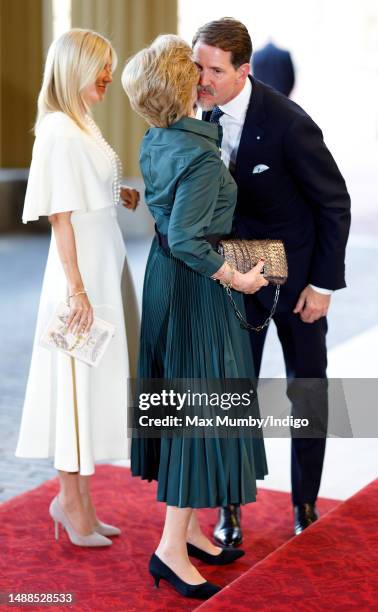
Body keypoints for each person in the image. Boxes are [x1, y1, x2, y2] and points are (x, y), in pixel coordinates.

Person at [193, 17, 351, 544]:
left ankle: (305, 504)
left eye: (214, 69)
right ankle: (230, 507)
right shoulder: (199, 115)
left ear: (243, 71)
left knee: (307, 390)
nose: (202, 78)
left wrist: (323, 286)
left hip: (298, 277)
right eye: (198, 66)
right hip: (238, 274)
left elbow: (334, 203)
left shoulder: (288, 122)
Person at [122, 35, 268, 600]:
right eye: (194, 71)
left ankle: (189, 536)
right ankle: (169, 549)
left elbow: (171, 230)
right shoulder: (202, 155)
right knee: (200, 412)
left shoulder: (157, 137)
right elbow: (188, 238)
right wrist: (240, 277)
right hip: (198, 288)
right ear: (182, 86)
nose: (204, 77)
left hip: (167, 279)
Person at [16, 29, 139, 547]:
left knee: (89, 385)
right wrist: (79, 292)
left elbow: (84, 192)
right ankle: (69, 502)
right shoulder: (60, 130)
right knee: (74, 382)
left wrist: (118, 192)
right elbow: (59, 219)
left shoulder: (79, 123)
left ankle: (81, 501)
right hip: (80, 274)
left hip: (101, 263)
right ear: (74, 70)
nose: (109, 76)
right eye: (101, 67)